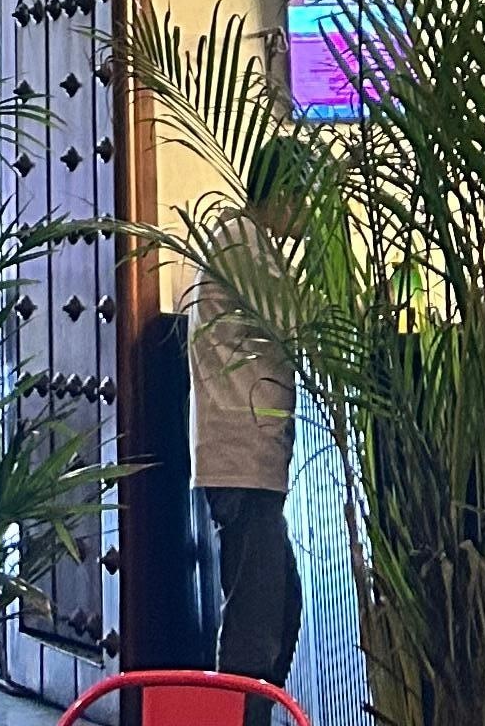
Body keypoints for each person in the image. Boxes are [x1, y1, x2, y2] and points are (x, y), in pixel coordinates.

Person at [187, 143, 314, 700]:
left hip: (248, 461)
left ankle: (249, 711)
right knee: (254, 631)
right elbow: (298, 321)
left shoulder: (246, 240)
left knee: (279, 610)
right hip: (241, 459)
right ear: (284, 195)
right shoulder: (241, 241)